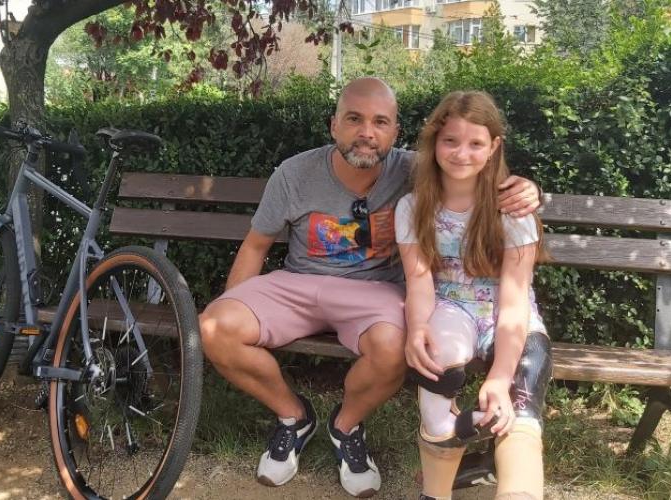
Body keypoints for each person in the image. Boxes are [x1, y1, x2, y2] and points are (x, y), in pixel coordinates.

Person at [199, 78, 541, 498]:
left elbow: (471, 165)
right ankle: (294, 417)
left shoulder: (417, 169)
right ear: (333, 125)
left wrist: (528, 189)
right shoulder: (294, 173)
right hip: (297, 284)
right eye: (354, 119)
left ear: (396, 132)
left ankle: (345, 426)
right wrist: (234, 301)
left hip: (374, 291)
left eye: (380, 122)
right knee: (214, 328)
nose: (367, 132)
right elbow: (256, 246)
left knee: (394, 346)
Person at [395, 90, 552, 500]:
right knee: (435, 364)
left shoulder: (512, 209)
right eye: (450, 140)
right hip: (451, 308)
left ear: (494, 146)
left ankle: (517, 489)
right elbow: (419, 282)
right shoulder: (413, 207)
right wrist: (417, 329)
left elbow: (515, 302)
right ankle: (437, 489)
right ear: (434, 141)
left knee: (520, 409)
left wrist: (499, 377)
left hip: (511, 316)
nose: (461, 153)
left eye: (476, 143)